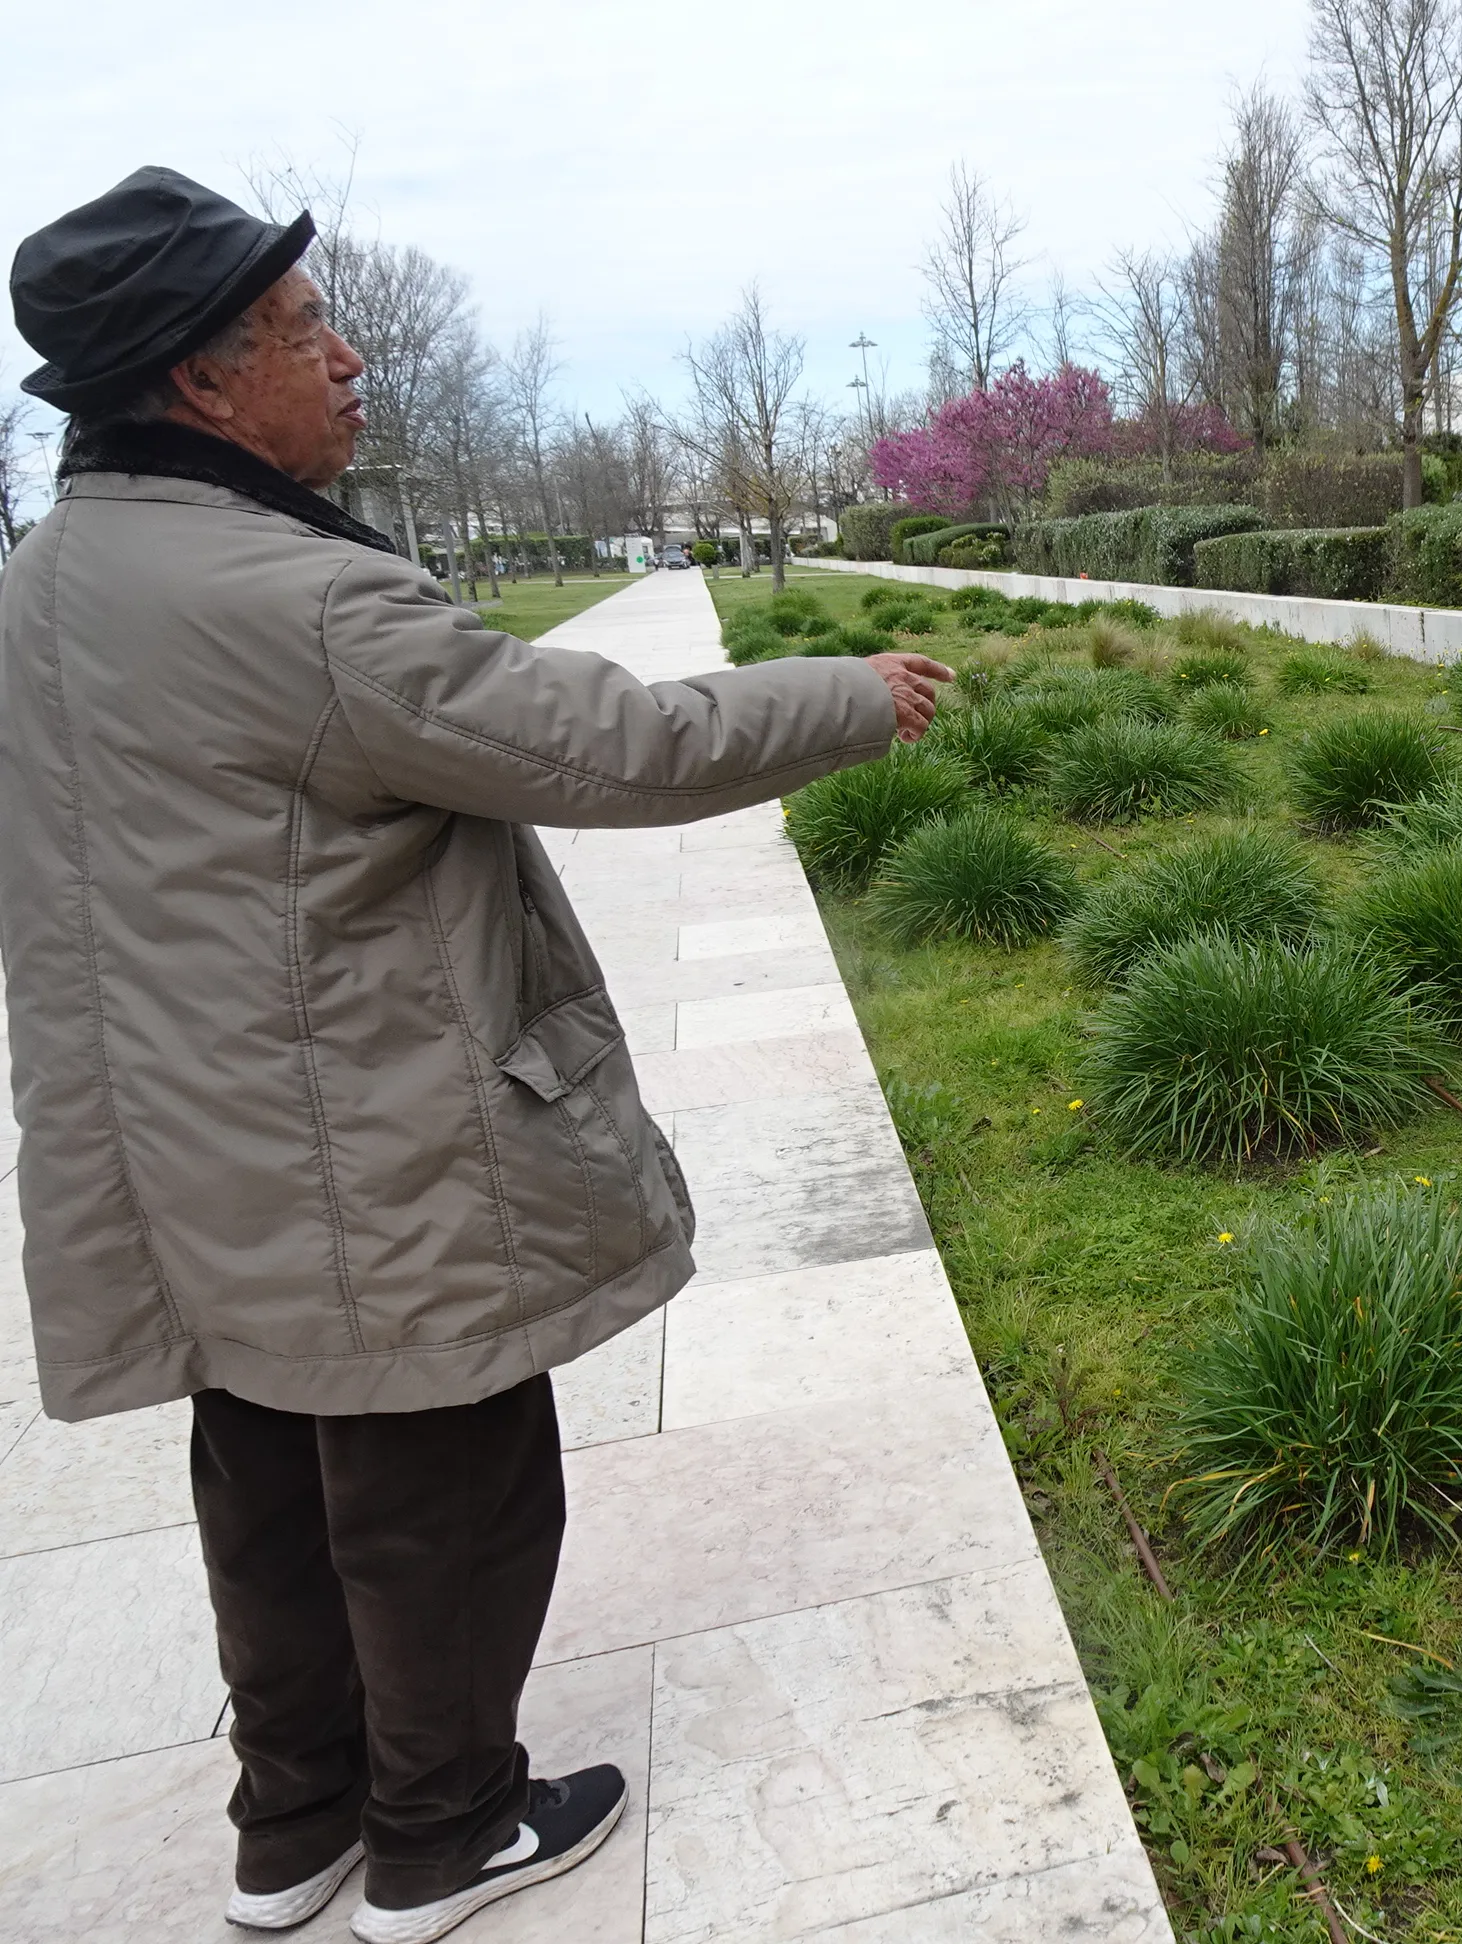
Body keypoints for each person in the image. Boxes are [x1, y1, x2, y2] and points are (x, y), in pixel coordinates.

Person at [0, 167, 950, 1942]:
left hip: (175, 1152)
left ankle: (291, 1833)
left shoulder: (49, 579)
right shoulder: (295, 602)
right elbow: (614, 746)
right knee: (442, 1487)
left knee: (269, 1484)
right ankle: (446, 1838)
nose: (350, 361)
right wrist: (848, 695)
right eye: (301, 334)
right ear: (201, 387)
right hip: (362, 1142)